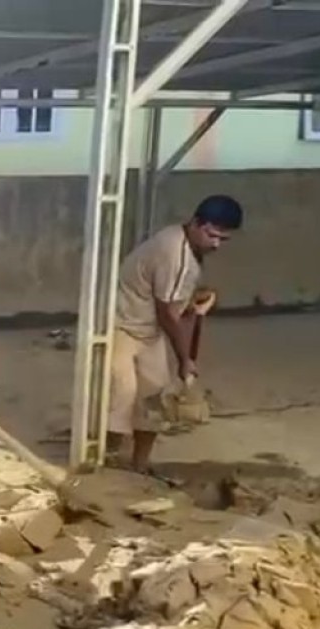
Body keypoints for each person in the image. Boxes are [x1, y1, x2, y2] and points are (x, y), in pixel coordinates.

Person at [109, 194, 243, 480]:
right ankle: (101, 468)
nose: (216, 244)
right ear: (195, 223)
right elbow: (166, 314)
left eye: (223, 239)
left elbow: (174, 302)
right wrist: (184, 360)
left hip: (148, 330)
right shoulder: (174, 253)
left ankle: (140, 465)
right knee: (120, 397)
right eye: (211, 235)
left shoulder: (188, 246)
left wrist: (196, 299)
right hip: (120, 324)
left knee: (153, 398)